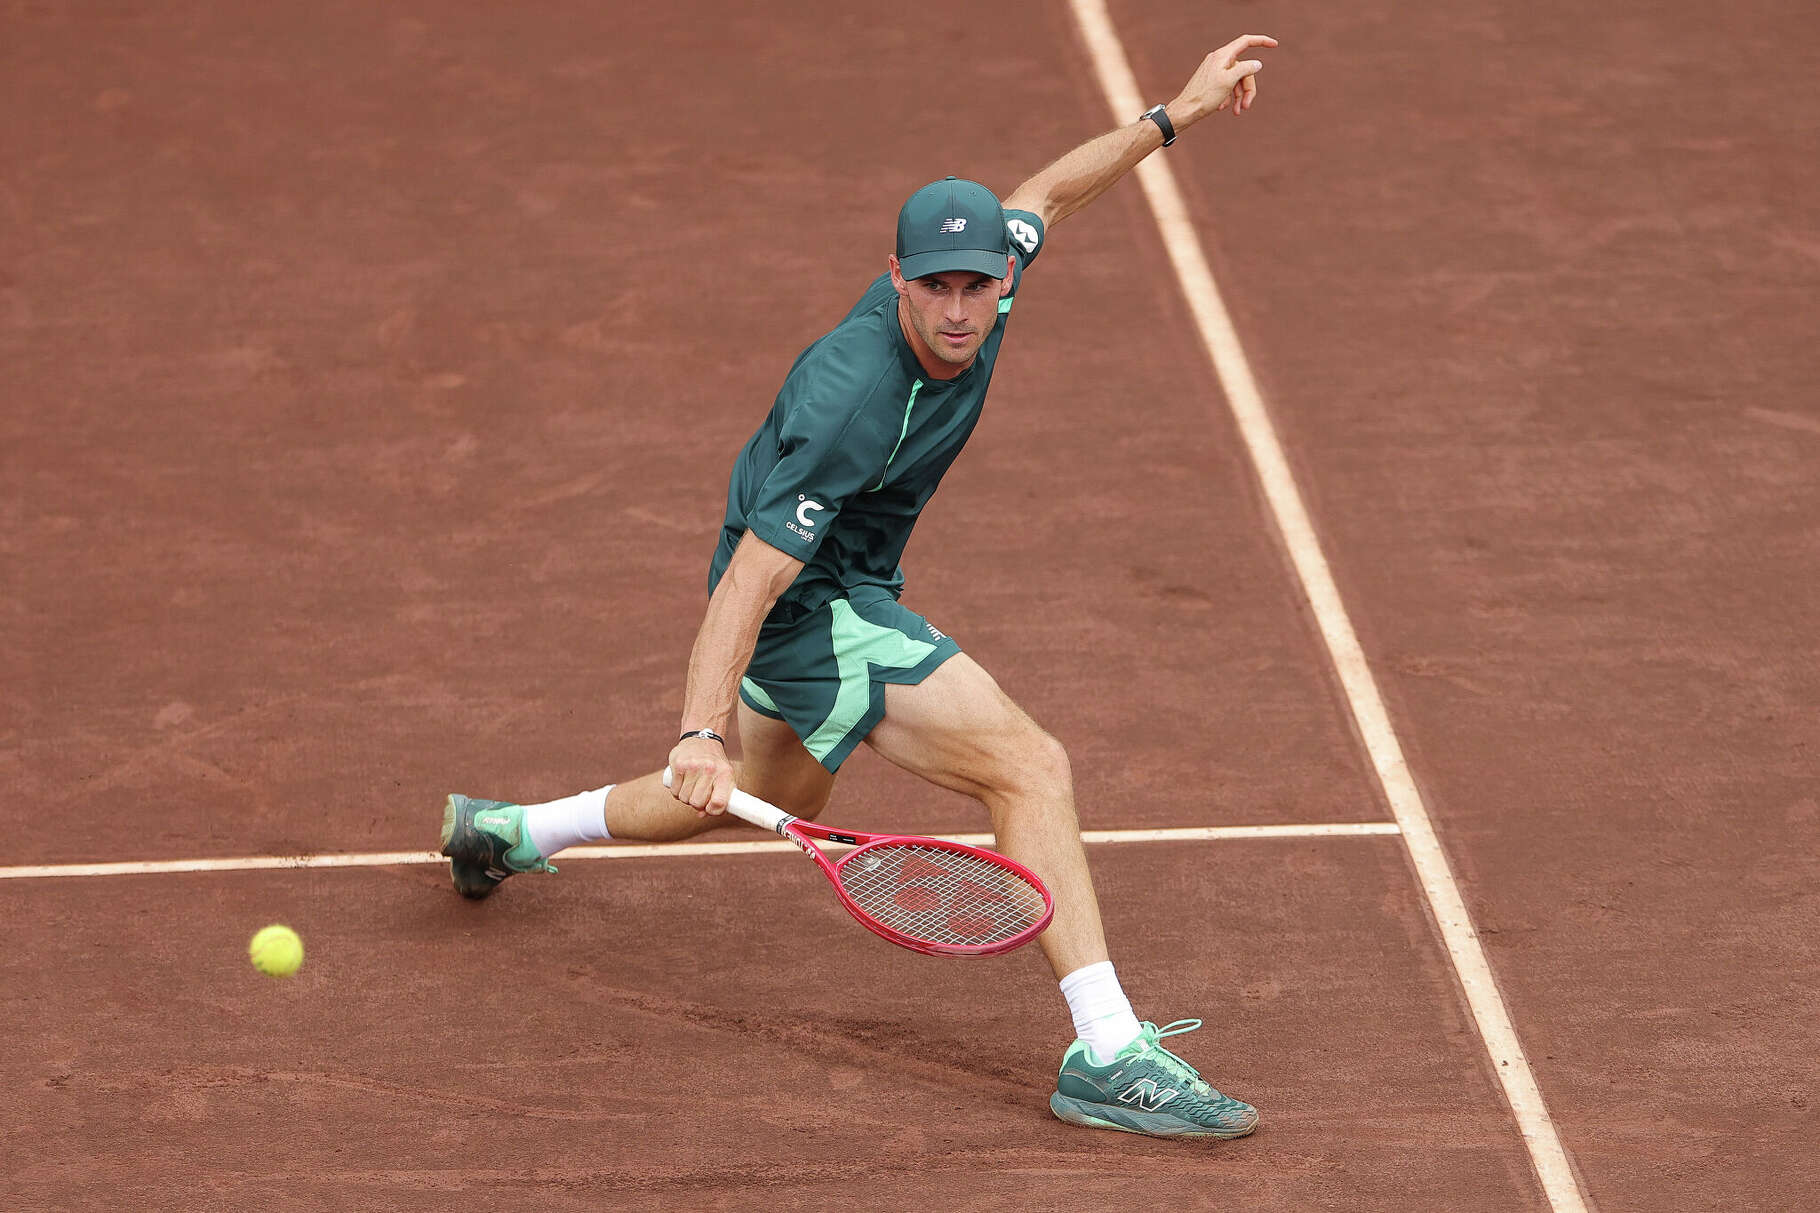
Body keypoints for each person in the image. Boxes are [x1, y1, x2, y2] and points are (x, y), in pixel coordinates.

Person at [441, 33, 1278, 1140]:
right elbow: (749, 574)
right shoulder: (853, 402)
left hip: (842, 588)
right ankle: (1107, 1050)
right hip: (810, 608)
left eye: (978, 282)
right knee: (1029, 767)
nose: (958, 310)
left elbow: (1042, 195)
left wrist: (1173, 112)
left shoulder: (994, 285)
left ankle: (503, 830)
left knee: (776, 795)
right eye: (934, 287)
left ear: (1002, 274)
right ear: (897, 281)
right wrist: (693, 726)